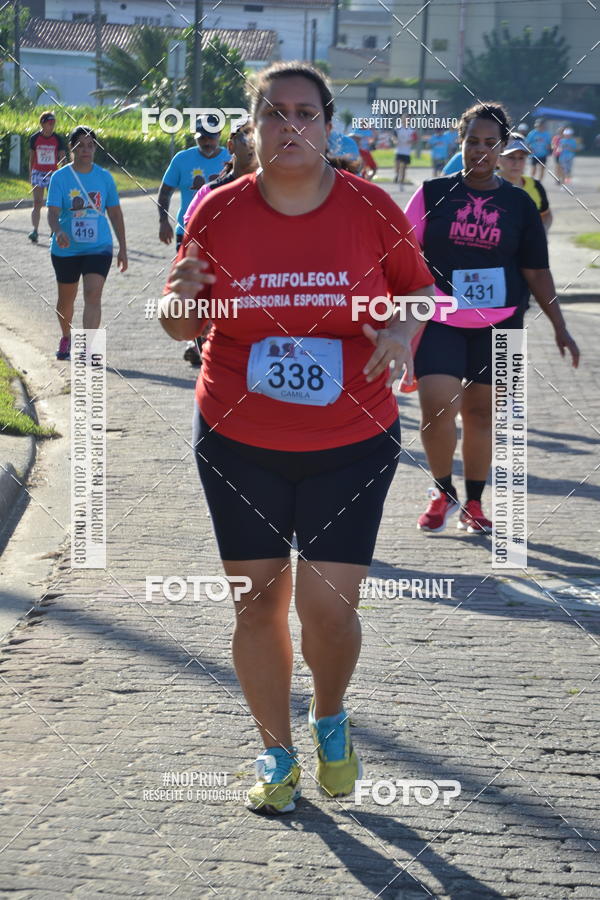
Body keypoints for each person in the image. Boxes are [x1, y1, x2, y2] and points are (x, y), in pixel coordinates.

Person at [160, 61, 435, 814]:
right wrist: (178, 302)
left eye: (305, 112)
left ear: (328, 126)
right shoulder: (217, 211)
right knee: (256, 605)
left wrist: (403, 331)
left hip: (352, 438)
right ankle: (275, 754)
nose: (290, 125)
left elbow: (419, 289)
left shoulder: (370, 206)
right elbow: (182, 322)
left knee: (328, 609)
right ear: (253, 129)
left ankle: (331, 716)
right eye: (274, 113)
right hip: (238, 435)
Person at [404, 102, 579, 534]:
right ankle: (442, 492)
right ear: (459, 142)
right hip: (441, 319)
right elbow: (398, 254)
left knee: (481, 415)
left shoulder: (519, 203)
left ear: (502, 147)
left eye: (490, 143)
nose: (480, 151)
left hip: (501, 324)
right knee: (437, 406)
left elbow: (536, 270)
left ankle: (474, 503)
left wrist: (560, 326)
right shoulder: (431, 194)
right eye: (472, 141)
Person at [181, 120, 258, 366]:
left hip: (260, 285)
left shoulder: (275, 192)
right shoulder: (210, 192)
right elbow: (192, 236)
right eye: (246, 137)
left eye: (258, 138)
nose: (253, 144)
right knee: (217, 359)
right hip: (218, 283)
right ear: (231, 146)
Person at [46, 126, 127, 361]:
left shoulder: (104, 177)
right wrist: (58, 230)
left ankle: (89, 347)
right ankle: (66, 336)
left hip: (98, 246)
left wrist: (122, 247)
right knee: (66, 299)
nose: (86, 150)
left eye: (90, 145)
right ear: (72, 148)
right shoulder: (60, 177)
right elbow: (52, 213)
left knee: (93, 293)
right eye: (80, 145)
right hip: (66, 248)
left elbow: (115, 214)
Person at [158, 114, 231, 253]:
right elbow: (165, 193)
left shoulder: (232, 159)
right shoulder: (181, 159)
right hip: (187, 231)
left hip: (223, 233)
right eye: (202, 138)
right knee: (186, 267)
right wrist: (163, 221)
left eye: (211, 137)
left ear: (219, 135)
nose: (207, 142)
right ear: (195, 136)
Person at [497, 134, 552, 232]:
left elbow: (546, 214)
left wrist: (541, 232)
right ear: (498, 158)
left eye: (521, 158)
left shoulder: (535, 185)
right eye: (511, 157)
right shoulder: (487, 185)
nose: (516, 163)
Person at [28, 111, 66, 243]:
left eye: (53, 123)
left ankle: (53, 232)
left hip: (53, 174)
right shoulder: (34, 138)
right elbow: (31, 158)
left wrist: (64, 175)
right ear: (42, 124)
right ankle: (35, 231)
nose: (52, 125)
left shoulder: (58, 139)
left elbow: (63, 158)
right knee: (37, 203)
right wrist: (30, 174)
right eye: (49, 123)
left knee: (54, 204)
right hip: (38, 172)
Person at [394, 117, 416, 187]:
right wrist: (395, 140)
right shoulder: (398, 128)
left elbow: (415, 139)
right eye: (404, 120)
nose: (405, 122)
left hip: (406, 151)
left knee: (404, 167)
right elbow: (394, 136)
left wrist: (411, 141)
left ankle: (402, 181)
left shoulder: (411, 130)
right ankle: (397, 174)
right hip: (399, 150)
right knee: (397, 165)